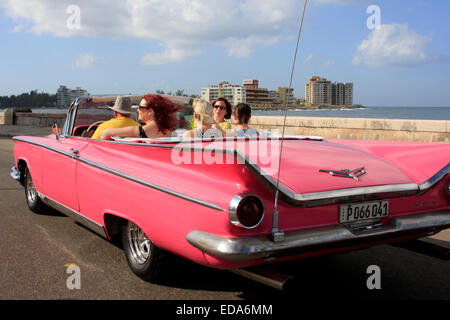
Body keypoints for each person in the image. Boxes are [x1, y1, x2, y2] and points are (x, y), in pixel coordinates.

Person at [100, 94, 180, 140]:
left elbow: (104, 134)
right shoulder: (169, 130)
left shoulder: (141, 131)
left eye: (140, 107)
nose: (137, 110)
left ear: (150, 112)